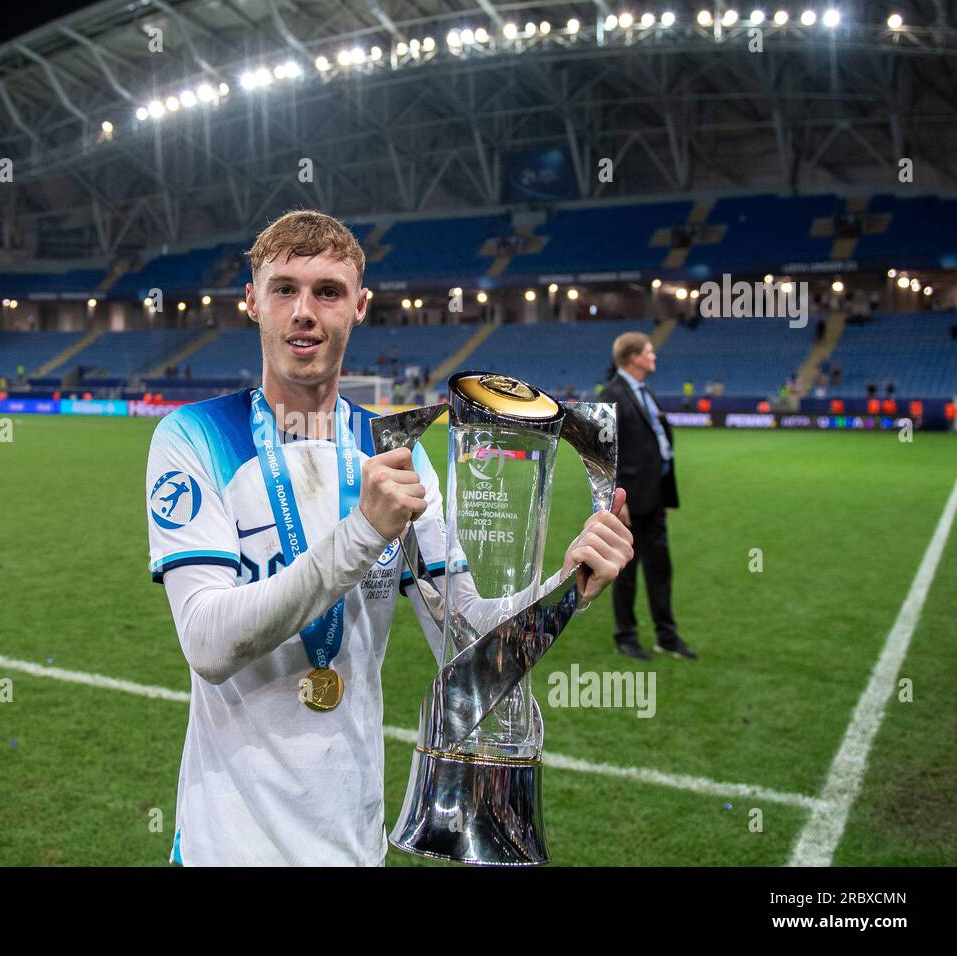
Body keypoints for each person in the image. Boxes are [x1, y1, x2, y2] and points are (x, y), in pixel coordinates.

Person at [145, 210, 635, 866]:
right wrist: (360, 537)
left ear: (360, 307)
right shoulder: (193, 437)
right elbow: (207, 643)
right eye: (284, 288)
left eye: (328, 291)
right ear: (252, 302)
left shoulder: (398, 453)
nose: (304, 311)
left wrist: (569, 586)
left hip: (352, 841)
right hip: (225, 843)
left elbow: (470, 641)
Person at [602, 332, 696, 661]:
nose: (654, 356)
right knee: (625, 571)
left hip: (654, 498)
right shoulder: (613, 394)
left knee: (660, 569)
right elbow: (605, 452)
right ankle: (625, 636)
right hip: (629, 502)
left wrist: (667, 496)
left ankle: (666, 636)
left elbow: (660, 447)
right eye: (649, 352)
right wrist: (618, 498)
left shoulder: (644, 392)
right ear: (633, 357)